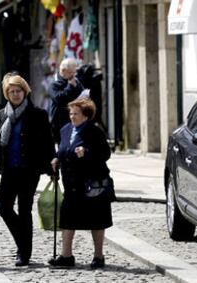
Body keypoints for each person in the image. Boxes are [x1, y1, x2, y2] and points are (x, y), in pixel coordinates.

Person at [0, 73, 55, 267]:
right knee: (4, 208)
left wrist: (52, 167)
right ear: (7, 94)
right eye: (12, 92)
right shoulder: (1, 115)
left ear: (25, 92)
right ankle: (23, 243)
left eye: (19, 91)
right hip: (8, 170)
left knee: (25, 211)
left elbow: (47, 143)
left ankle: (23, 253)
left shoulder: (37, 114)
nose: (15, 95)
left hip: (29, 171)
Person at [50, 98, 114, 270]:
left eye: (76, 113)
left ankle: (98, 256)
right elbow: (62, 150)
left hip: (92, 185)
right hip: (71, 184)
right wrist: (56, 159)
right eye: (70, 113)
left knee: (97, 220)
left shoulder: (95, 132)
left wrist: (87, 152)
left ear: (86, 115)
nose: (72, 116)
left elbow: (105, 154)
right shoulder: (65, 130)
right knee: (67, 219)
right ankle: (66, 255)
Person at [49, 57, 83, 143]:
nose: (73, 75)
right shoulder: (54, 84)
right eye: (71, 73)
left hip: (76, 120)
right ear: (63, 71)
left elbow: (82, 96)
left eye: (74, 72)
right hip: (60, 123)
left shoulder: (75, 82)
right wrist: (70, 87)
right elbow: (58, 99)